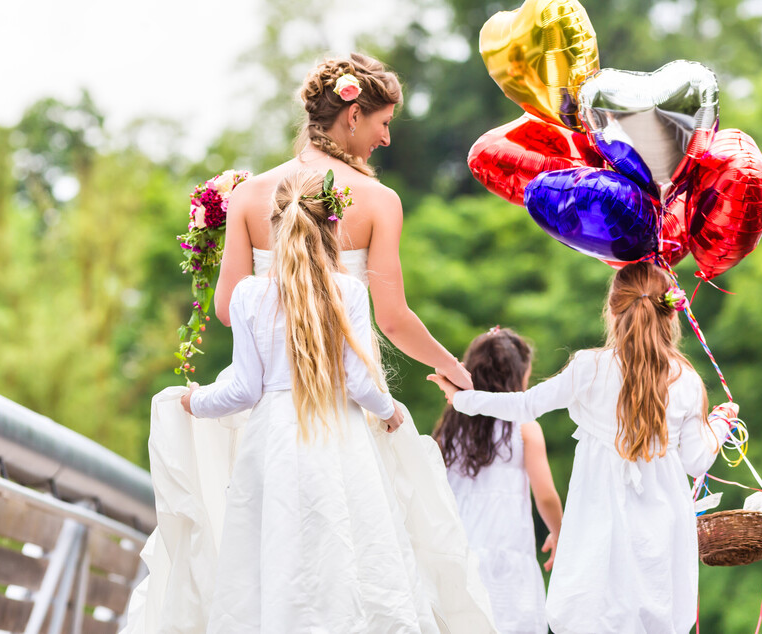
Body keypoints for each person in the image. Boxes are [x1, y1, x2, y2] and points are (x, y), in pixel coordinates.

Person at [122, 170, 497, 633]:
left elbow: (244, 388)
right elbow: (359, 382)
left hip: (272, 442)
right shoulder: (349, 292)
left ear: (275, 230)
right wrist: (390, 410)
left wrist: (195, 403)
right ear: (335, 230)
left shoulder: (250, 295)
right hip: (339, 435)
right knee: (347, 549)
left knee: (272, 556)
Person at [428, 262, 738, 634]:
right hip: (660, 528)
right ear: (670, 313)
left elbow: (522, 405)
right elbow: (696, 460)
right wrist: (720, 424)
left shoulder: (589, 368)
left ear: (611, 310)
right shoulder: (686, 380)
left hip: (599, 527)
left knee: (594, 615)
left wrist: (463, 399)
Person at [214, 52, 472, 390]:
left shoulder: (247, 195)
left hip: (265, 387)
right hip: (345, 386)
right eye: (385, 122)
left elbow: (225, 309)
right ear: (354, 115)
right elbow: (392, 321)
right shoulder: (381, 200)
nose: (386, 138)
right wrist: (454, 369)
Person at [433, 327, 563, 633]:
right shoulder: (522, 426)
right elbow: (544, 495)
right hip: (507, 551)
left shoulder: (448, 430)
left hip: (458, 551)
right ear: (516, 380)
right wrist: (560, 533)